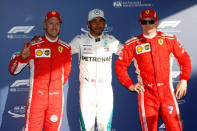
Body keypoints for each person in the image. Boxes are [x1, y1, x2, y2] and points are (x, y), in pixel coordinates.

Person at [115, 8, 191, 131]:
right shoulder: (133, 43)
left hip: (167, 92)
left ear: (156, 22)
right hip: (147, 94)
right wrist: (130, 85)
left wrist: (184, 80)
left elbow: (184, 59)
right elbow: (120, 66)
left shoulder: (169, 39)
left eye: (151, 21)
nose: (148, 25)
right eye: (144, 22)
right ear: (140, 23)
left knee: (175, 128)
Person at [9, 11, 72, 131]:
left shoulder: (65, 48)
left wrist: (55, 87)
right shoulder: (33, 46)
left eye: (57, 23)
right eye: (50, 23)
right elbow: (13, 70)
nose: (54, 27)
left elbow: (65, 73)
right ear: (45, 25)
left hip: (56, 100)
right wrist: (22, 57)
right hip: (36, 99)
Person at [70, 9, 123, 131]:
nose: (98, 24)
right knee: (86, 127)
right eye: (94, 21)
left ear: (105, 24)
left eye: (101, 21)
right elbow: (60, 52)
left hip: (105, 89)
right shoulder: (79, 40)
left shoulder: (111, 40)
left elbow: (129, 54)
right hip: (87, 88)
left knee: (105, 127)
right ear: (88, 24)